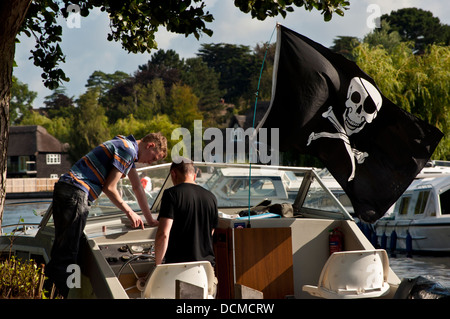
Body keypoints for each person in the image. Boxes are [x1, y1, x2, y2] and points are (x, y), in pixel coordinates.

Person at [45, 132, 167, 297]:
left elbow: (138, 188)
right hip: (76, 193)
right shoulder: (128, 150)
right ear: (150, 145)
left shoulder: (125, 145)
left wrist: (150, 219)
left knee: (61, 251)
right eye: (154, 158)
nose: (151, 162)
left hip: (67, 189)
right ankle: (57, 296)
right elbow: (109, 187)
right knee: (67, 255)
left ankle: (47, 292)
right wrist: (130, 212)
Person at [155, 158, 218, 267]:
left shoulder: (171, 194)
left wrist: (158, 266)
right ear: (194, 175)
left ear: (173, 173)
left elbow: (163, 235)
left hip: (179, 267)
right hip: (206, 267)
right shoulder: (211, 197)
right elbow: (210, 231)